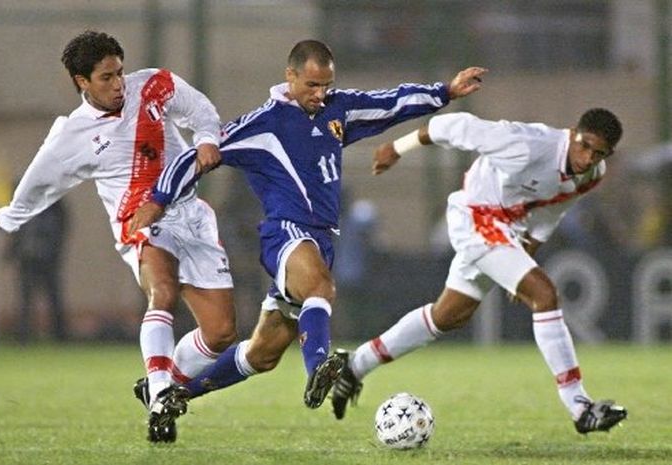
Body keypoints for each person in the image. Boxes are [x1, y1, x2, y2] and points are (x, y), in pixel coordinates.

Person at [128, 40, 486, 421]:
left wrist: (444, 92)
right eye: (312, 85)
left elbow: (389, 103)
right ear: (290, 76)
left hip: (321, 239)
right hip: (286, 234)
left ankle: (173, 396)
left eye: (326, 85)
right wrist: (158, 200)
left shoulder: (337, 109)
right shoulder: (263, 125)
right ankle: (319, 367)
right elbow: (194, 155)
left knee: (263, 353)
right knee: (321, 286)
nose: (320, 94)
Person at [0, 30, 237, 443]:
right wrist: (10, 217)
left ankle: (160, 380)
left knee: (222, 332)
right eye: (106, 77)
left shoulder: (153, 84)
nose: (119, 83)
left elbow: (199, 109)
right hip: (139, 220)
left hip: (191, 213)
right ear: (82, 81)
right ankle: (159, 396)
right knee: (163, 291)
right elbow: (37, 182)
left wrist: (207, 138)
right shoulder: (72, 134)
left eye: (120, 72)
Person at [331, 109, 628, 435]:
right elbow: (455, 125)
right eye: (585, 146)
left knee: (448, 316)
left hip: (506, 230)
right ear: (573, 132)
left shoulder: (592, 173)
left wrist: (526, 251)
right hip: (475, 218)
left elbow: (554, 207)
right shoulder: (528, 143)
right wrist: (397, 148)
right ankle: (580, 407)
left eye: (599, 153)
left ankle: (355, 365)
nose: (588, 158)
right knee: (544, 295)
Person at [4, 195, 69, 344]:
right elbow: (17, 232)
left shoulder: (55, 206)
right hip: (28, 259)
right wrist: (12, 252)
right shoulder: (24, 207)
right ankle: (23, 336)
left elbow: (61, 229)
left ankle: (60, 335)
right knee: (25, 299)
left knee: (53, 297)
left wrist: (54, 251)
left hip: (48, 259)